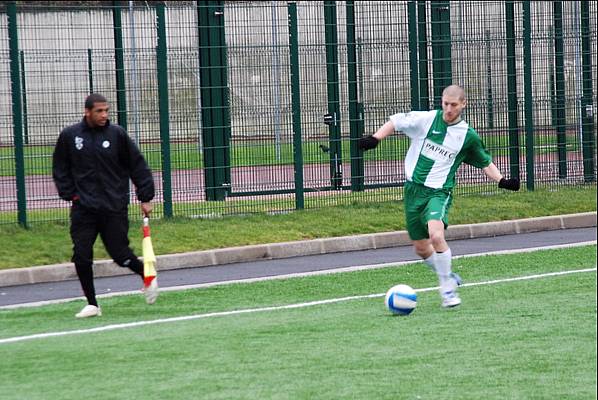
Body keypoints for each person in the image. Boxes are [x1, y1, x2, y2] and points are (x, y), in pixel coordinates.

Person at [358, 85, 520, 308]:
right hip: (413, 190)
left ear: (463, 104)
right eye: (445, 103)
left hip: (438, 192)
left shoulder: (467, 135)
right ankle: (449, 275)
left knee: (436, 236)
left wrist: (502, 180)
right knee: (422, 248)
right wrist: (375, 139)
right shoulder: (427, 120)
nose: (449, 109)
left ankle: (447, 290)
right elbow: (397, 121)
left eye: (454, 105)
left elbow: (484, 161)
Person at [52, 93, 159, 318]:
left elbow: (137, 165)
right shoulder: (70, 136)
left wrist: (145, 196)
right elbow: (60, 168)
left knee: (121, 255)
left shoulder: (117, 135)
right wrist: (71, 195)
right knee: (81, 256)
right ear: (87, 112)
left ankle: (146, 275)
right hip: (84, 209)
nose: (104, 115)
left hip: (113, 207)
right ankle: (92, 304)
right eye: (99, 111)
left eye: (106, 111)